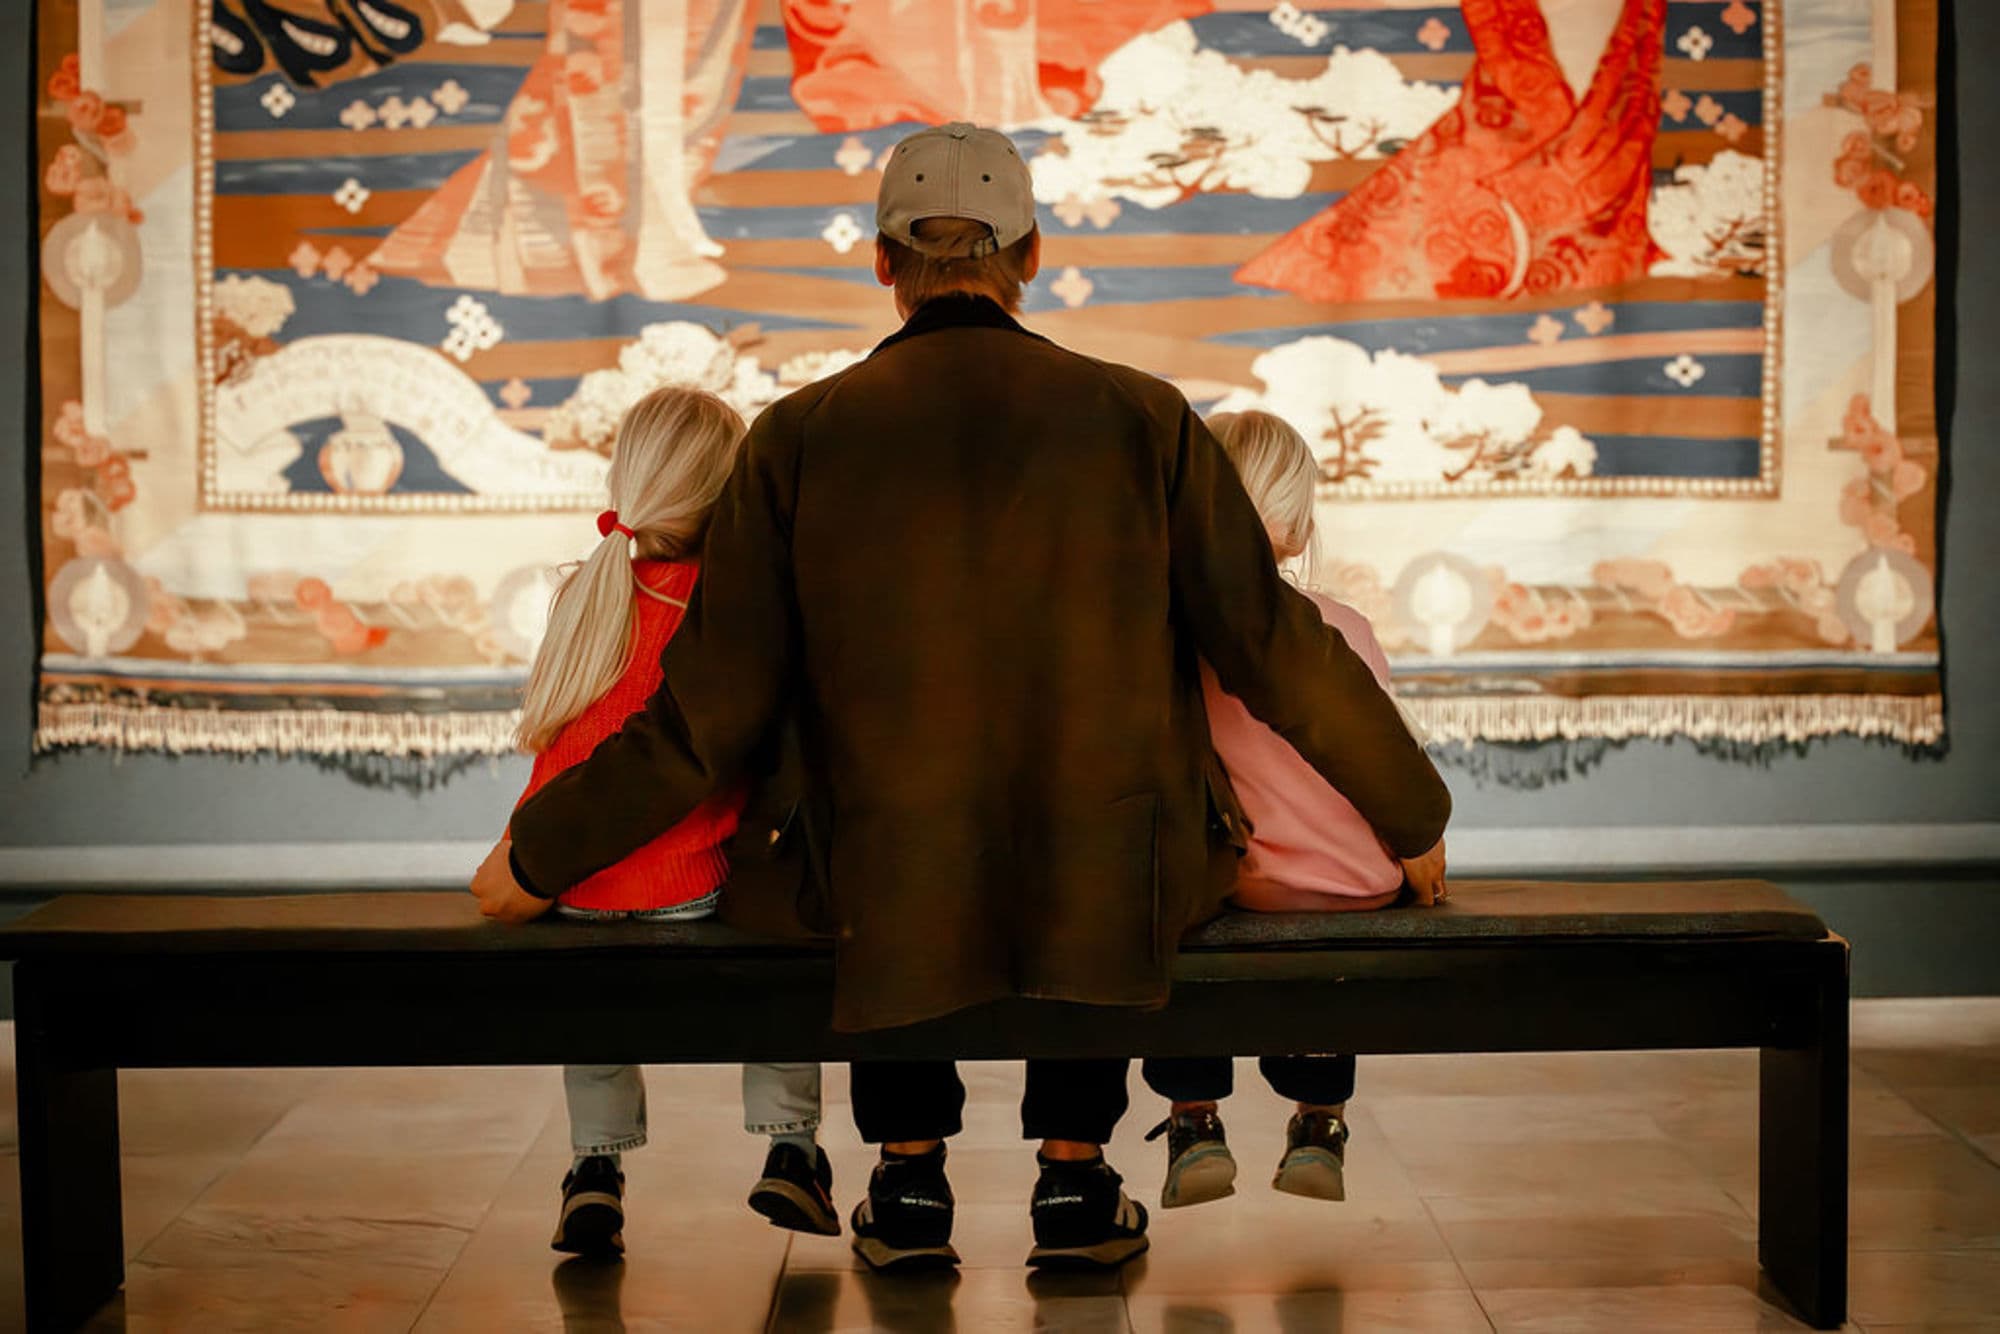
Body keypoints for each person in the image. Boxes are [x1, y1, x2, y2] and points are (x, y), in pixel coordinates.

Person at [472, 122, 1452, 1274]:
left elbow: (709, 714)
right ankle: (1076, 1182)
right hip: (1105, 878)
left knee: (887, 831)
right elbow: (1277, 645)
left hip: (881, 879)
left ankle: (906, 1179)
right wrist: (1412, 820)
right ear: (1029, 253)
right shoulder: (1146, 420)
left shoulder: (796, 437)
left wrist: (536, 854)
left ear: (881, 264)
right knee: (1100, 829)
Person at [506, 386, 836, 1257]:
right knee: (782, 922)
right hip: (694, 887)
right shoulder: (728, 608)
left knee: (596, 995)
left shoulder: (585, 592)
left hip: (572, 883)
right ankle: (791, 1148)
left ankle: (594, 1173)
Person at [1138, 409, 1448, 1211]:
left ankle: (1193, 1117)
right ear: (1295, 522)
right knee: (1326, 966)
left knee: (1176, 927)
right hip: (1360, 885)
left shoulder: (1169, 640)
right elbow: (1388, 755)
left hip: (1239, 886)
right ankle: (1320, 1122)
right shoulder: (1343, 626)